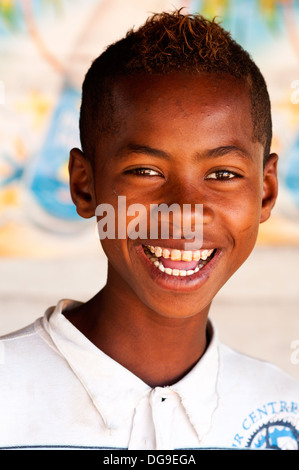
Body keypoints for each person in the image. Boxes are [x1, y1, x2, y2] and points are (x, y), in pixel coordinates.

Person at [1, 10, 299, 451]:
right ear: (84, 187)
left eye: (222, 174)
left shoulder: (283, 411)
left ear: (266, 192)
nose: (184, 212)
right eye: (145, 170)